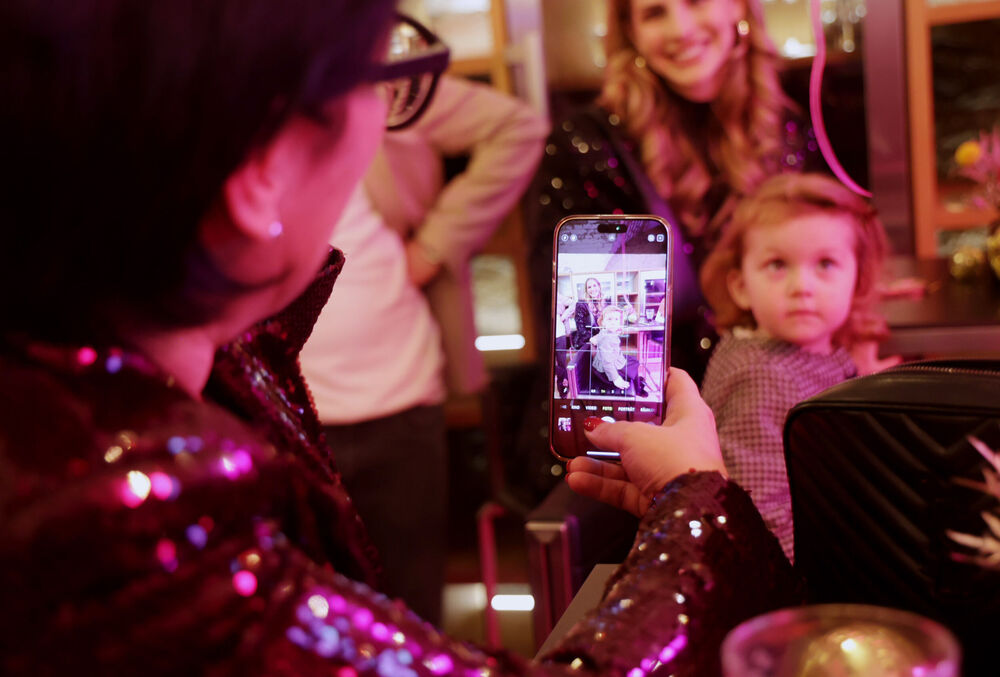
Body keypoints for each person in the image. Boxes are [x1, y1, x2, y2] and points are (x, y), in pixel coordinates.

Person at [0, 1, 796, 675]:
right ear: (260, 178)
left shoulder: (173, 362)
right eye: (380, 84)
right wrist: (697, 501)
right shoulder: (129, 530)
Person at [299, 74, 547, 624]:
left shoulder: (365, 74)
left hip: (401, 396)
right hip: (285, 415)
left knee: (412, 611)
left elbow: (517, 128)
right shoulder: (221, 96)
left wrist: (434, 246)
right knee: (313, 619)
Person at [527, 0, 814, 383]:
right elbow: (579, 326)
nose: (680, 29)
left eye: (695, 1)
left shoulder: (790, 123)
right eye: (654, 13)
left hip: (780, 386)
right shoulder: (586, 144)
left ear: (738, 7)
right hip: (653, 397)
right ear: (631, 32)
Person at [698, 173, 889, 560]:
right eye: (777, 264)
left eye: (825, 264)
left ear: (858, 280)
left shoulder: (810, 349)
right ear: (740, 286)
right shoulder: (759, 379)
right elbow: (764, 521)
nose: (802, 286)